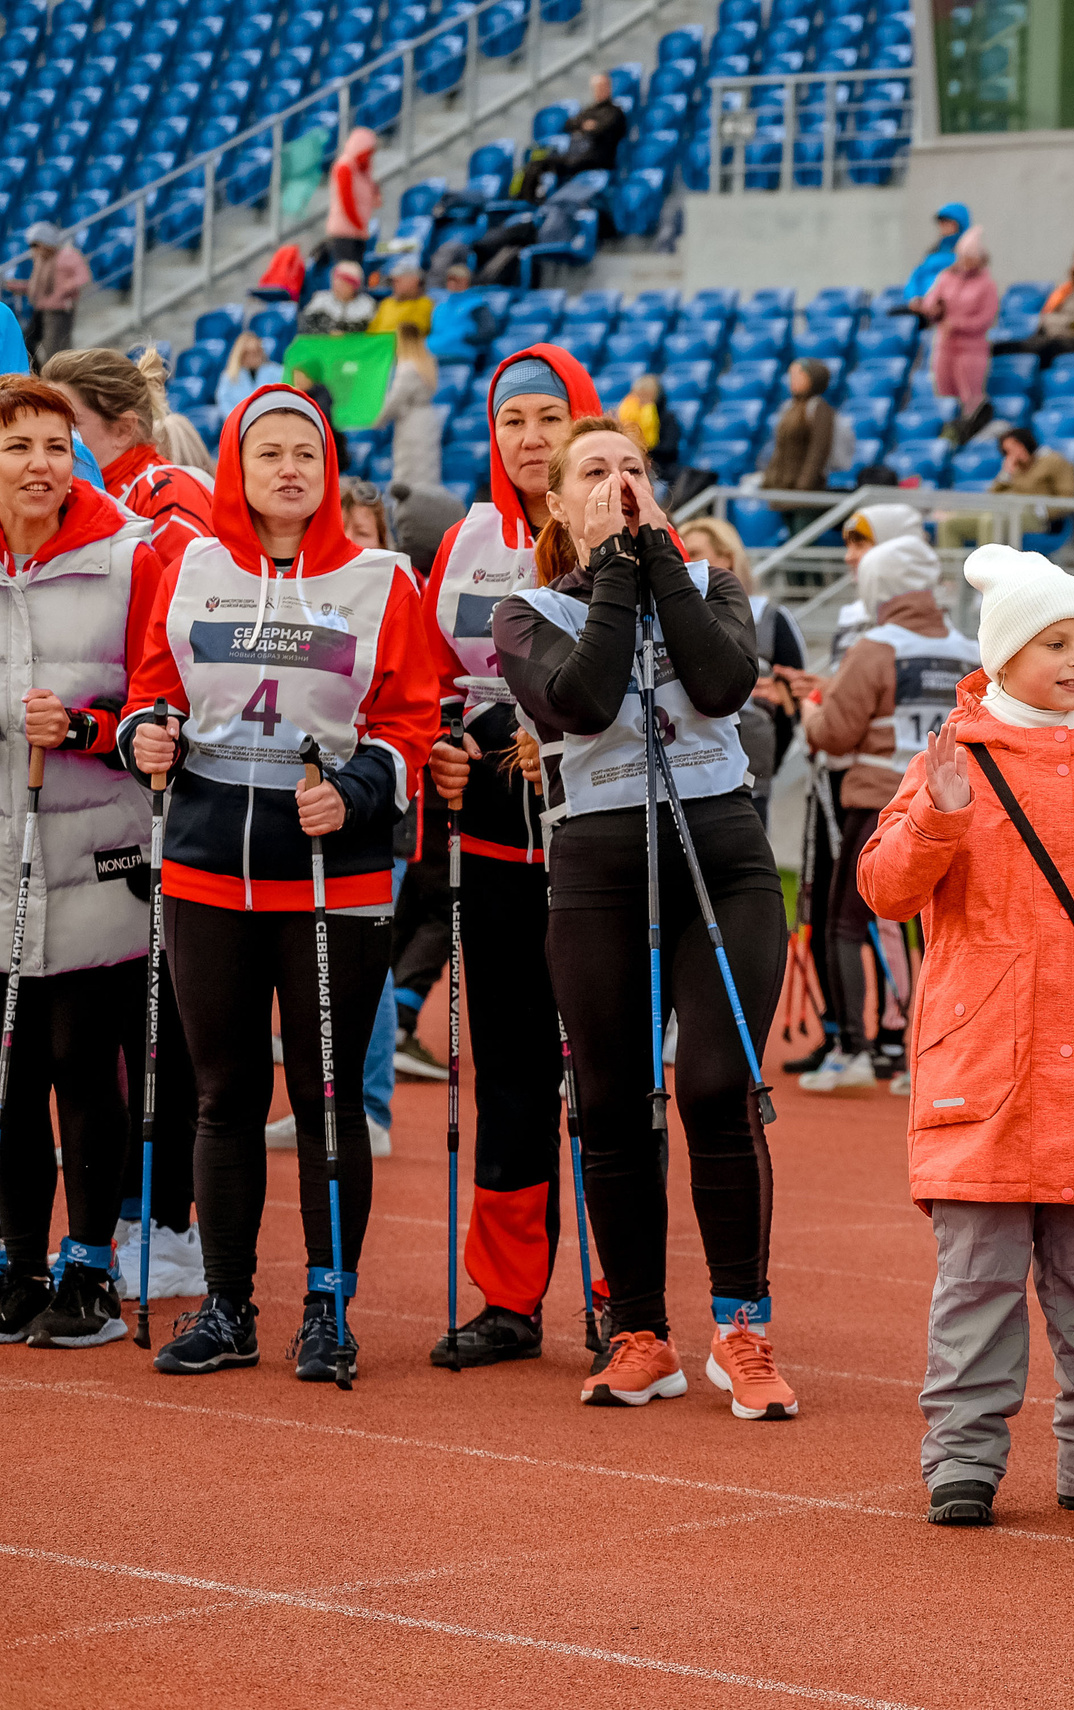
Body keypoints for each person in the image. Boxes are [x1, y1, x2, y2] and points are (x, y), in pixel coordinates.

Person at [859, 544, 1074, 1526]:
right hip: (984, 1071)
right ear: (1003, 652)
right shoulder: (949, 765)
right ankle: (962, 1462)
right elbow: (884, 889)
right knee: (977, 1286)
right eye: (1054, 640)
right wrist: (937, 812)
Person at [125, 383, 436, 1384]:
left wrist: (353, 789)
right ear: (239, 467)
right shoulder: (189, 565)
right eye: (269, 454)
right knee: (222, 1095)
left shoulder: (385, 578)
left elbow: (409, 725)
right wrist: (147, 740)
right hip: (208, 869)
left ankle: (326, 1307)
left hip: (331, 876)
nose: (289, 469)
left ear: (330, 467)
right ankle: (228, 1308)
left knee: (329, 1096)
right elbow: (147, 694)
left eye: (307, 451)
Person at [493, 416, 794, 1417]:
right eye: (595, 472)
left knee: (715, 1086)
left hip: (725, 856)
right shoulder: (527, 609)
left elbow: (720, 684)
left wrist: (658, 553)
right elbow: (578, 703)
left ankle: (743, 1330)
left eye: (632, 469)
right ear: (558, 498)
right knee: (614, 1105)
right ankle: (639, 1334)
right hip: (599, 868)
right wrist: (612, 568)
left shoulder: (709, 584)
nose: (617, 483)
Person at [418, 347, 599, 1368]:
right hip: (490, 840)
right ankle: (508, 1299)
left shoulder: (623, 530)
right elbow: (435, 686)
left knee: (612, 1075)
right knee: (512, 1066)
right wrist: (447, 747)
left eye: (548, 416)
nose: (529, 439)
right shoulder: (464, 542)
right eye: (511, 420)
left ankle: (627, 1296)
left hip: (602, 839)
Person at [0, 377, 166, 1348]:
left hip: (99, 853)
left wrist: (95, 727)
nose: (40, 465)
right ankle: (17, 1258)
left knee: (80, 1062)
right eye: (19, 445)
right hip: (3, 860)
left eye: (57, 446)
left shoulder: (126, 555)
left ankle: (91, 1265)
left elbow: (157, 697)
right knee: (13, 1068)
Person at [795, 510, 969, 1092]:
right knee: (937, 933)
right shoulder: (968, 648)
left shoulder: (874, 646)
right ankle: (923, 1050)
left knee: (846, 924)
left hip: (878, 803)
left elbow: (834, 733)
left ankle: (854, 1047)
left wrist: (808, 711)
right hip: (949, 804)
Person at [679, 514, 806, 826]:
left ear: (728, 558)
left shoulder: (770, 618)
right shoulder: (668, 619)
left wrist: (768, 760)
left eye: (694, 552)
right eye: (679, 552)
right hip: (684, 771)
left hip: (750, 776)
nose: (684, 560)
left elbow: (796, 700)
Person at [45, 347, 216, 562]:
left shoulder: (168, 494)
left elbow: (189, 592)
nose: (51, 435)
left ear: (123, 430)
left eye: (68, 423)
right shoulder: (61, 494)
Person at [995, 242, 1074, 359]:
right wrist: (1068, 322)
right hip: (1053, 335)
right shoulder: (1065, 291)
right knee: (1006, 347)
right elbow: (1046, 317)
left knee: (1052, 346)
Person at [916, 228, 996, 414]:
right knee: (944, 395)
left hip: (971, 349)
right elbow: (930, 300)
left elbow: (986, 318)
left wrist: (958, 325)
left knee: (970, 398)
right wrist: (931, 309)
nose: (965, 262)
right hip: (945, 345)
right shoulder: (946, 277)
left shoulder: (987, 284)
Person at [764, 359, 836, 541]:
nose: (792, 380)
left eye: (798, 375)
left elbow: (818, 452)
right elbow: (779, 449)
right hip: (784, 491)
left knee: (803, 547)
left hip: (805, 496)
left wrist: (803, 488)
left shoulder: (819, 408)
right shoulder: (789, 407)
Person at [1, 225, 90, 366]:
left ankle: (54, 377)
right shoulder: (42, 260)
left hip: (59, 311)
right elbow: (37, 286)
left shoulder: (67, 255)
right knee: (27, 343)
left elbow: (83, 277)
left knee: (55, 349)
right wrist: (16, 286)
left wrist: (64, 289)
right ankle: (38, 374)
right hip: (41, 309)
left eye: (36, 244)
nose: (34, 249)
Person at [377, 325, 441, 494]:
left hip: (411, 423)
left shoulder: (407, 367)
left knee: (410, 472)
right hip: (427, 418)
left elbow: (396, 399)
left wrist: (378, 419)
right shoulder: (427, 361)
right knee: (427, 470)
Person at [324, 129, 381, 273]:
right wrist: (358, 225)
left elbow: (375, 198)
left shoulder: (363, 170)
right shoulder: (345, 167)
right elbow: (346, 202)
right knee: (347, 273)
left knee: (358, 273)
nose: (369, 156)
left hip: (359, 231)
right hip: (345, 232)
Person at [906, 203, 972, 301]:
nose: (942, 226)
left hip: (946, 308)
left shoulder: (968, 255)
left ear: (959, 224)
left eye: (947, 222)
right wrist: (913, 298)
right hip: (921, 306)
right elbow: (916, 276)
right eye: (941, 223)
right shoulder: (934, 251)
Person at [300, 264, 376, 338]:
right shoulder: (320, 300)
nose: (338, 284)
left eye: (344, 283)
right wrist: (327, 334)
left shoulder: (367, 305)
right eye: (336, 280)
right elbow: (305, 329)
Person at [367, 259, 434, 339]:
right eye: (393, 281)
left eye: (398, 281)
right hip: (379, 347)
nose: (394, 284)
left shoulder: (424, 304)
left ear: (414, 281)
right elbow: (371, 332)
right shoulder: (386, 303)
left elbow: (414, 333)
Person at [218, 336, 284, 414]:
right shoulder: (229, 376)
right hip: (238, 420)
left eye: (257, 351)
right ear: (240, 355)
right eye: (249, 353)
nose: (254, 356)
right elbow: (224, 403)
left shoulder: (277, 371)